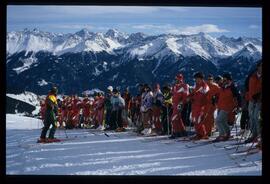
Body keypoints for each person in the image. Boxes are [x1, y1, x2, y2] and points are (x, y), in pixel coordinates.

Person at [214, 73, 241, 142]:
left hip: (228, 107)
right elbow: (220, 95)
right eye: (224, 79)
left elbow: (238, 97)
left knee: (218, 120)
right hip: (221, 106)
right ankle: (227, 134)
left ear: (229, 80)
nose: (224, 81)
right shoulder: (223, 86)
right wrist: (215, 99)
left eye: (226, 79)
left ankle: (222, 134)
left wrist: (239, 106)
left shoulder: (232, 88)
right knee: (223, 121)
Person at [189, 72, 209, 140]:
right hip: (195, 105)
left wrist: (203, 103)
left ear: (201, 78)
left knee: (199, 120)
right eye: (195, 79)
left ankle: (203, 134)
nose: (196, 80)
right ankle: (198, 133)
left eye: (197, 79)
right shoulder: (196, 85)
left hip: (201, 106)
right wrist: (189, 97)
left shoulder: (204, 86)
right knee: (194, 120)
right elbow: (194, 93)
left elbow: (206, 96)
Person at [245, 61, 262, 143]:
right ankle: (253, 135)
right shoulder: (252, 76)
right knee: (251, 118)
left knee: (256, 117)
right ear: (258, 67)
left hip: (259, 101)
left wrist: (259, 95)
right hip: (251, 100)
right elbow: (247, 87)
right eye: (260, 66)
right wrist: (247, 96)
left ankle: (259, 136)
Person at [170, 74, 189, 139]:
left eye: (177, 79)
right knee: (178, 118)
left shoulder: (184, 86)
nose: (176, 80)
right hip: (175, 104)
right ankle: (182, 132)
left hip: (179, 104)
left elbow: (186, 96)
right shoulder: (175, 86)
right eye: (175, 79)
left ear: (180, 79)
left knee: (173, 118)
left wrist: (181, 103)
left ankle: (176, 132)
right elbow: (173, 95)